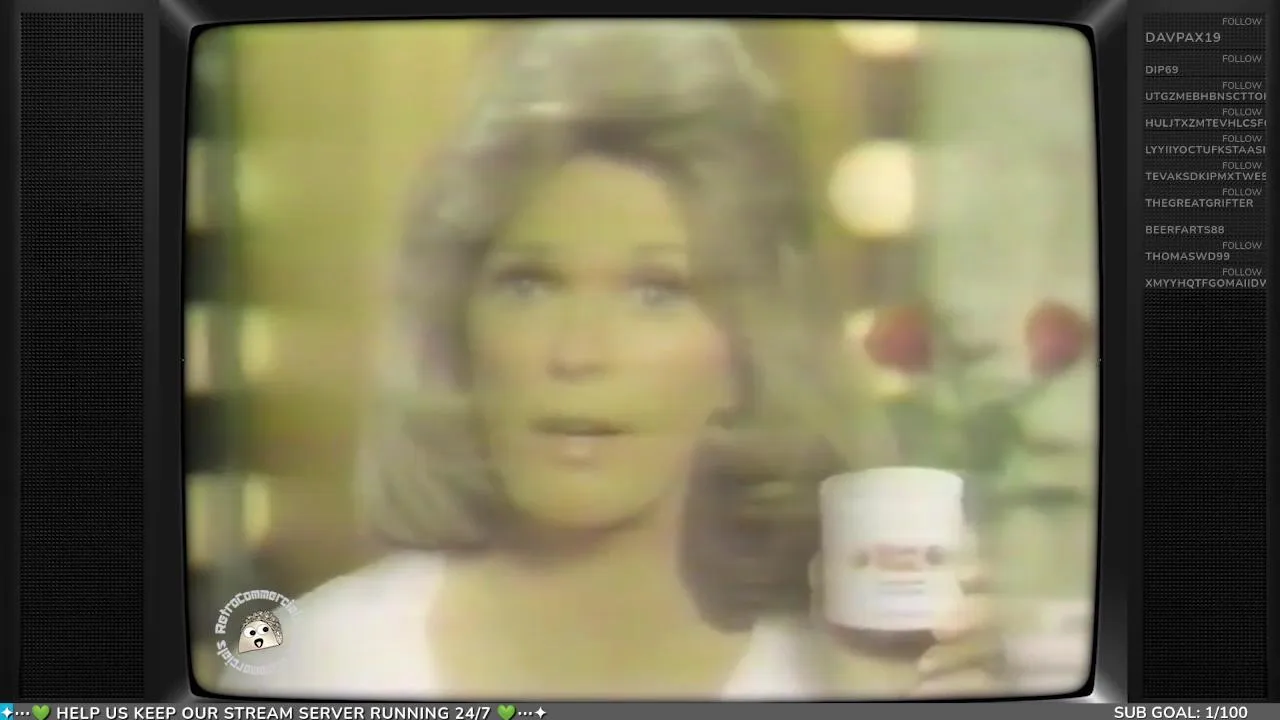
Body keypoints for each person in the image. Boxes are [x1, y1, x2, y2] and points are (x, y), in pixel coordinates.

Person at [217, 20, 997, 699]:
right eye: (529, 284)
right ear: (458, 324)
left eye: (658, 291)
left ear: (750, 343)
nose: (578, 352)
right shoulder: (317, 662)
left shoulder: (845, 674)